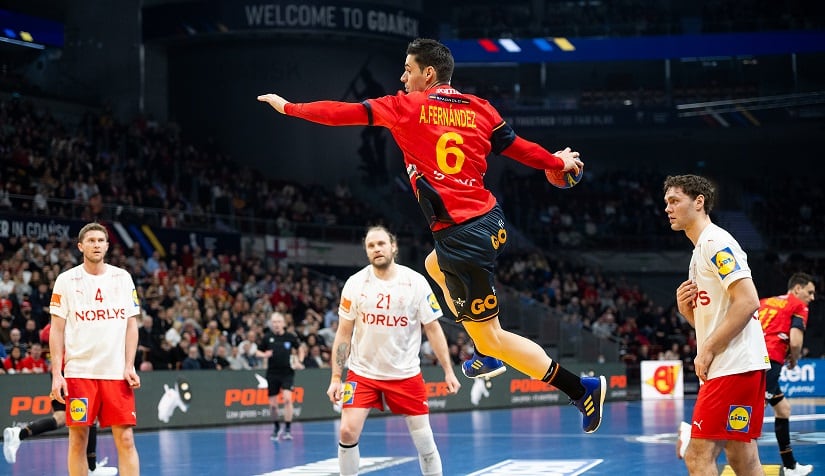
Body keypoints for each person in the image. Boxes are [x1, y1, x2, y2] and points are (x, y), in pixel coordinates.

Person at [258, 37, 606, 434]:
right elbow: (521, 150)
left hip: (463, 237)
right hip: (484, 220)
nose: (402, 77)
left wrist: (289, 107)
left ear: (429, 73)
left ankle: (580, 388)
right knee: (430, 265)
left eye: (408, 70)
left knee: (493, 337)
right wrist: (556, 161)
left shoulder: (404, 107)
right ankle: (484, 352)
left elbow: (342, 113)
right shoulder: (480, 108)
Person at [327, 226, 460, 476]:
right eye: (371, 246)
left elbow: (432, 329)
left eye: (381, 244)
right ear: (367, 251)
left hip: (405, 374)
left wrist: (448, 371)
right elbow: (344, 333)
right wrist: (336, 377)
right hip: (363, 373)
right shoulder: (355, 284)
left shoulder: (415, 282)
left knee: (424, 442)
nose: (376, 249)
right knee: (346, 431)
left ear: (393, 247)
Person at [664, 175, 770, 475]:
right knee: (741, 457)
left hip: (733, 366)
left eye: (675, 200)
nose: (668, 208)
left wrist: (707, 349)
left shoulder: (715, 241)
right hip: (738, 364)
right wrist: (688, 313)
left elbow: (748, 301)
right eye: (666, 203)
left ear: (699, 202)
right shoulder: (699, 251)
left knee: (697, 457)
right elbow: (723, 314)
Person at [49, 222, 142, 475]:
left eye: (101, 240)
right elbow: (56, 330)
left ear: (107, 245)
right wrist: (58, 374)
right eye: (91, 241)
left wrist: (129, 364)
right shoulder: (66, 280)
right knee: (78, 441)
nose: (96, 245)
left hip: (115, 374)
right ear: (81, 246)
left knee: (126, 440)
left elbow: (131, 325)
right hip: (79, 374)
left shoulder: (122, 278)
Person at [757, 272, 816, 476]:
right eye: (810, 292)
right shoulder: (798, 305)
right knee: (750, 418)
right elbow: (796, 341)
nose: (812, 297)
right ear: (797, 289)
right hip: (770, 361)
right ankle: (695, 437)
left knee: (783, 409)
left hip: (751, 357)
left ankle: (790, 466)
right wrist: (794, 358)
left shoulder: (765, 302)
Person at [256, 311, 301, 440]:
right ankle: (276, 427)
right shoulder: (267, 337)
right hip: (272, 373)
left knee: (287, 399)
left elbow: (300, 348)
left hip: (287, 373)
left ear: (283, 323)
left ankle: (287, 429)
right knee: (273, 405)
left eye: (278, 322)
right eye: (274, 322)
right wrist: (264, 355)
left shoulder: (290, 337)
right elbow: (258, 351)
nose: (276, 324)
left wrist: (299, 360)